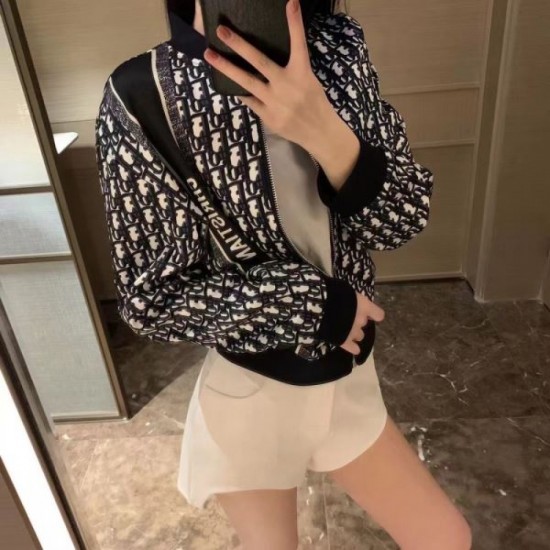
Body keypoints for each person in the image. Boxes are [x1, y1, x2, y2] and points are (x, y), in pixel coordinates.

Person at [95, 0, 472, 548]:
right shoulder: (140, 93)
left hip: (348, 381)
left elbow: (402, 220)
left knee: (446, 538)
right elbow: (150, 298)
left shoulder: (338, 50)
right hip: (253, 395)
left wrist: (326, 134)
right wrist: (316, 306)